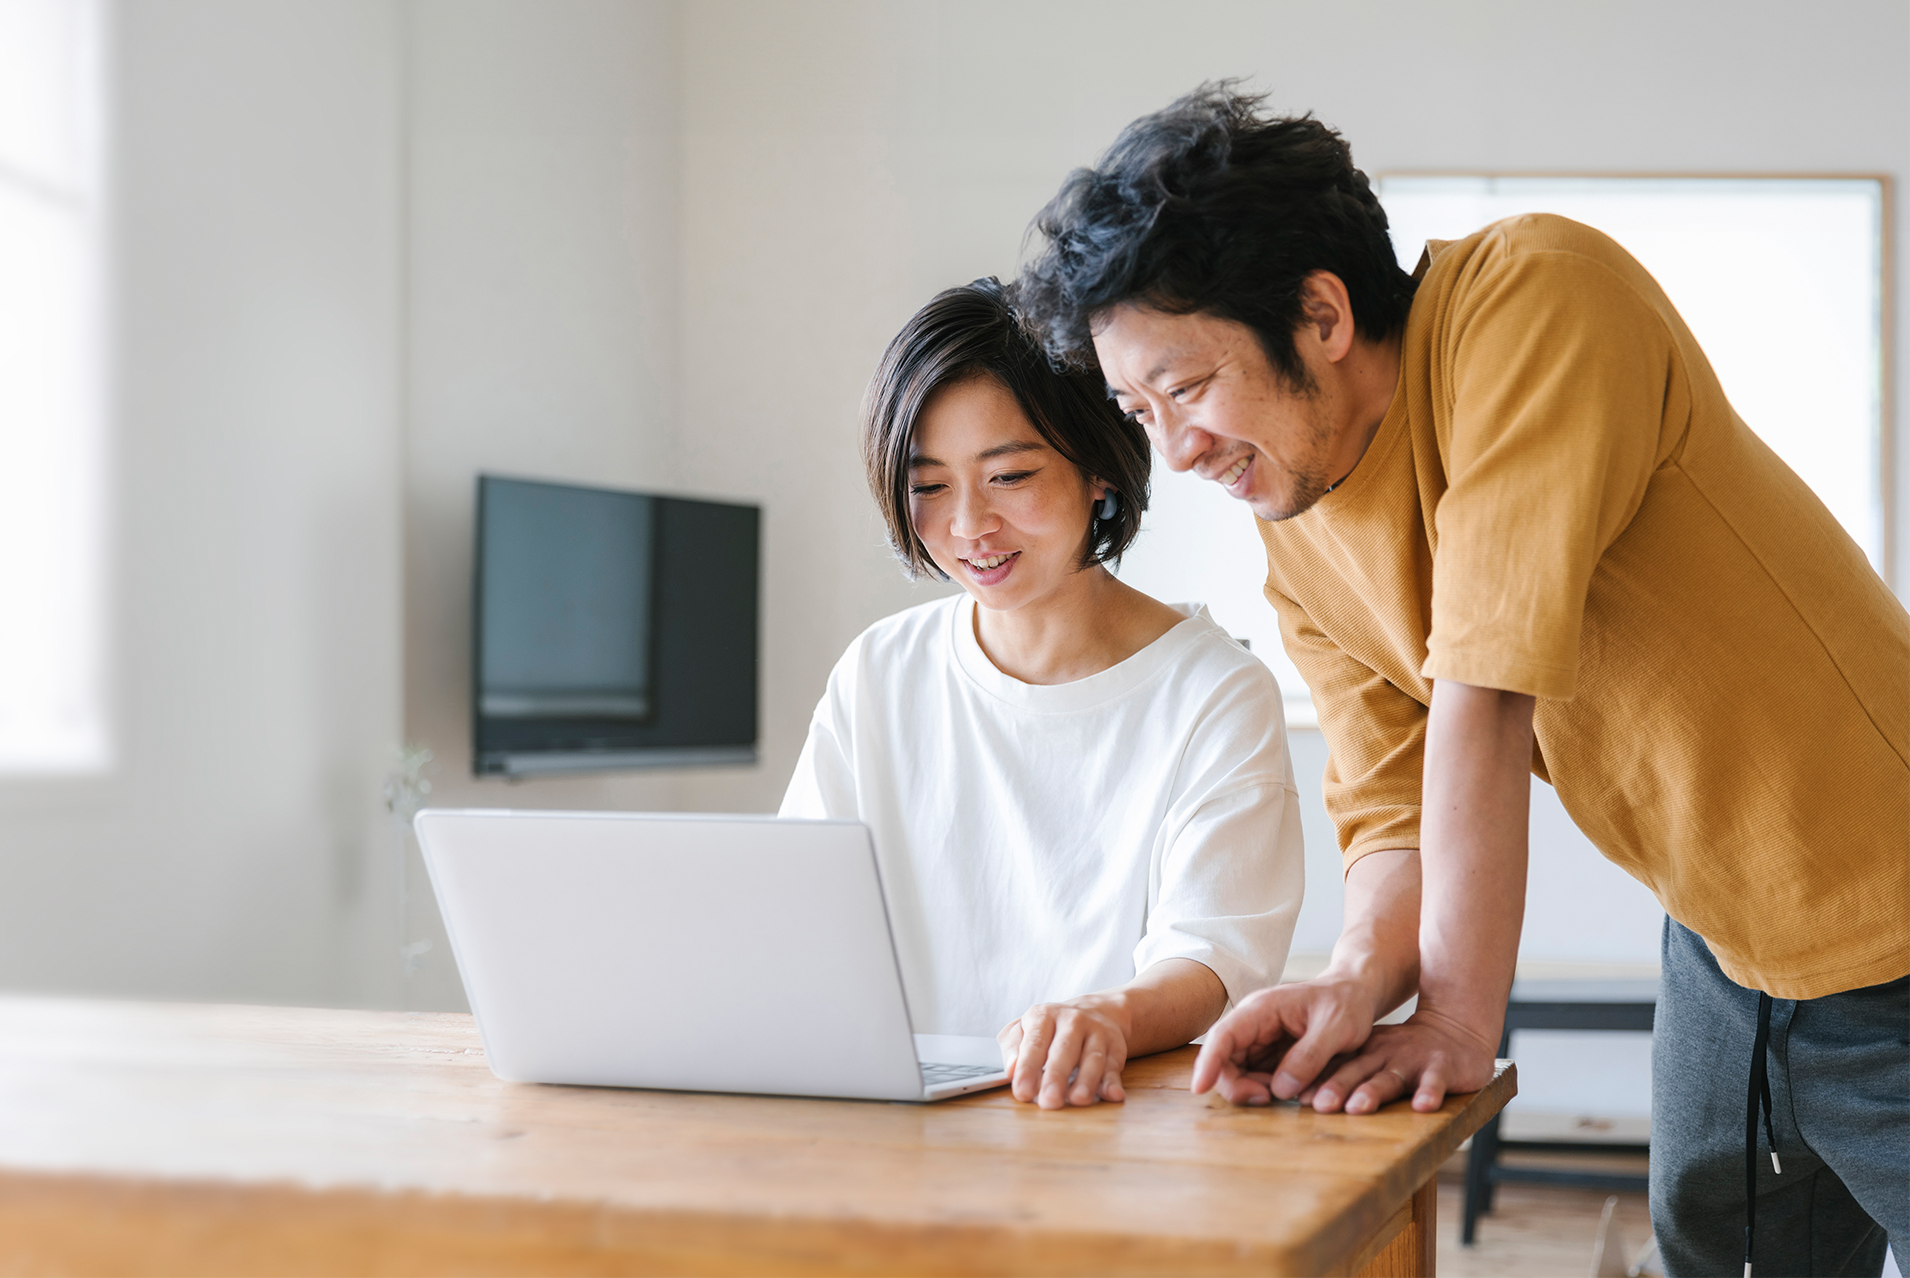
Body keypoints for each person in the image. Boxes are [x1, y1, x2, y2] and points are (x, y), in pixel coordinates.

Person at [1014, 83, 1910, 1276]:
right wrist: (1351, 977)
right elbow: (1390, 810)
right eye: (1137, 408)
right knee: (1726, 1261)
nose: (1170, 447)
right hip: (1720, 938)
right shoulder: (1297, 527)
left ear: (1320, 313)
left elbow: (1485, 682)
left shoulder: (1534, 297)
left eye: (1184, 389)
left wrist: (1451, 1015)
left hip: (1887, 913)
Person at [781, 280, 1303, 1110]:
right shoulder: (880, 672)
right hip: (889, 1123)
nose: (969, 525)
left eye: (1010, 475)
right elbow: (792, 905)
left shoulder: (1215, 692)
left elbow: (1212, 953)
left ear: (1099, 468)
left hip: (1100, 1123)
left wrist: (1109, 1016)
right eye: (929, 486)